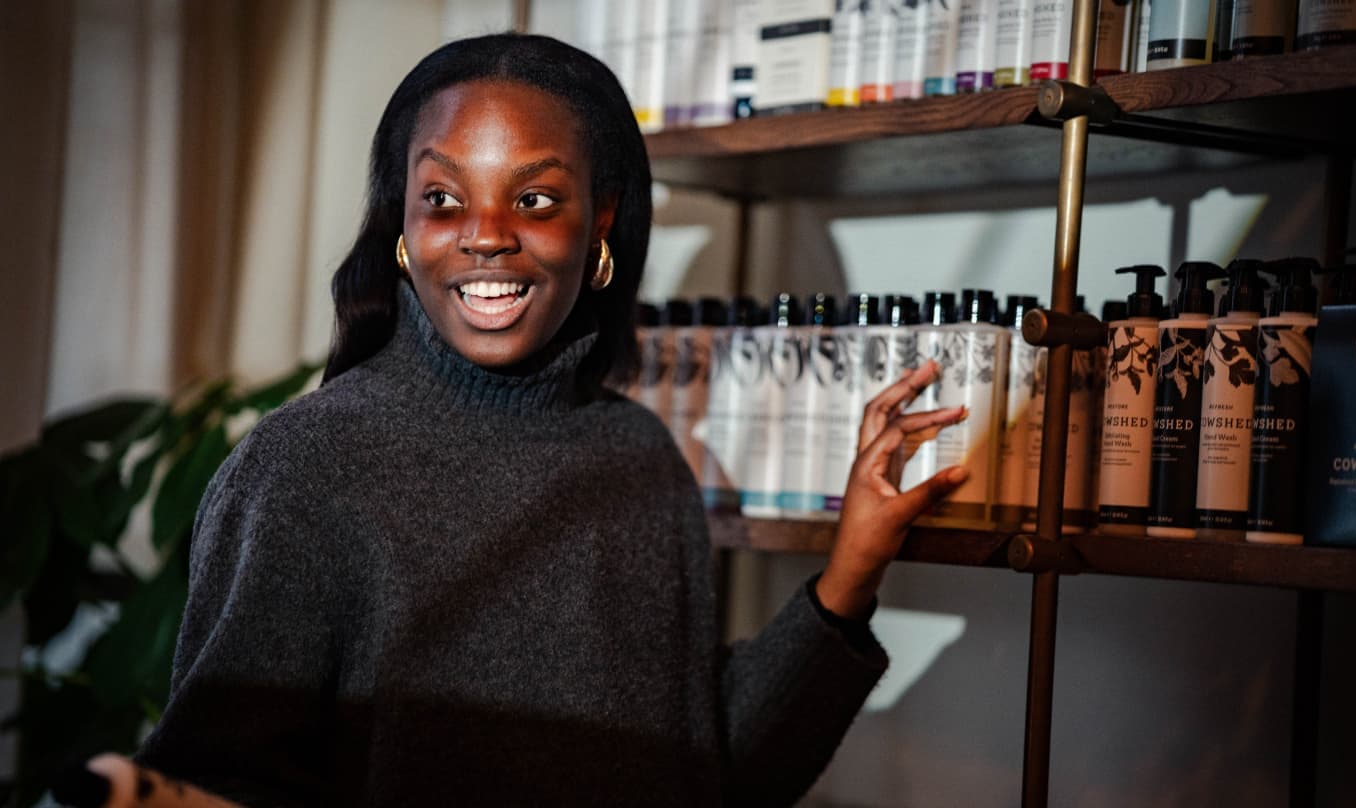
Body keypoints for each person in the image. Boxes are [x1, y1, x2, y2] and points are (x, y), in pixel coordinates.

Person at [128, 33, 970, 807]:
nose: (486, 237)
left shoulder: (640, 459)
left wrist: (850, 574)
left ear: (600, 220)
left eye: (533, 199)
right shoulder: (303, 469)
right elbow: (209, 785)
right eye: (444, 198)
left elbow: (705, 773)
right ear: (403, 227)